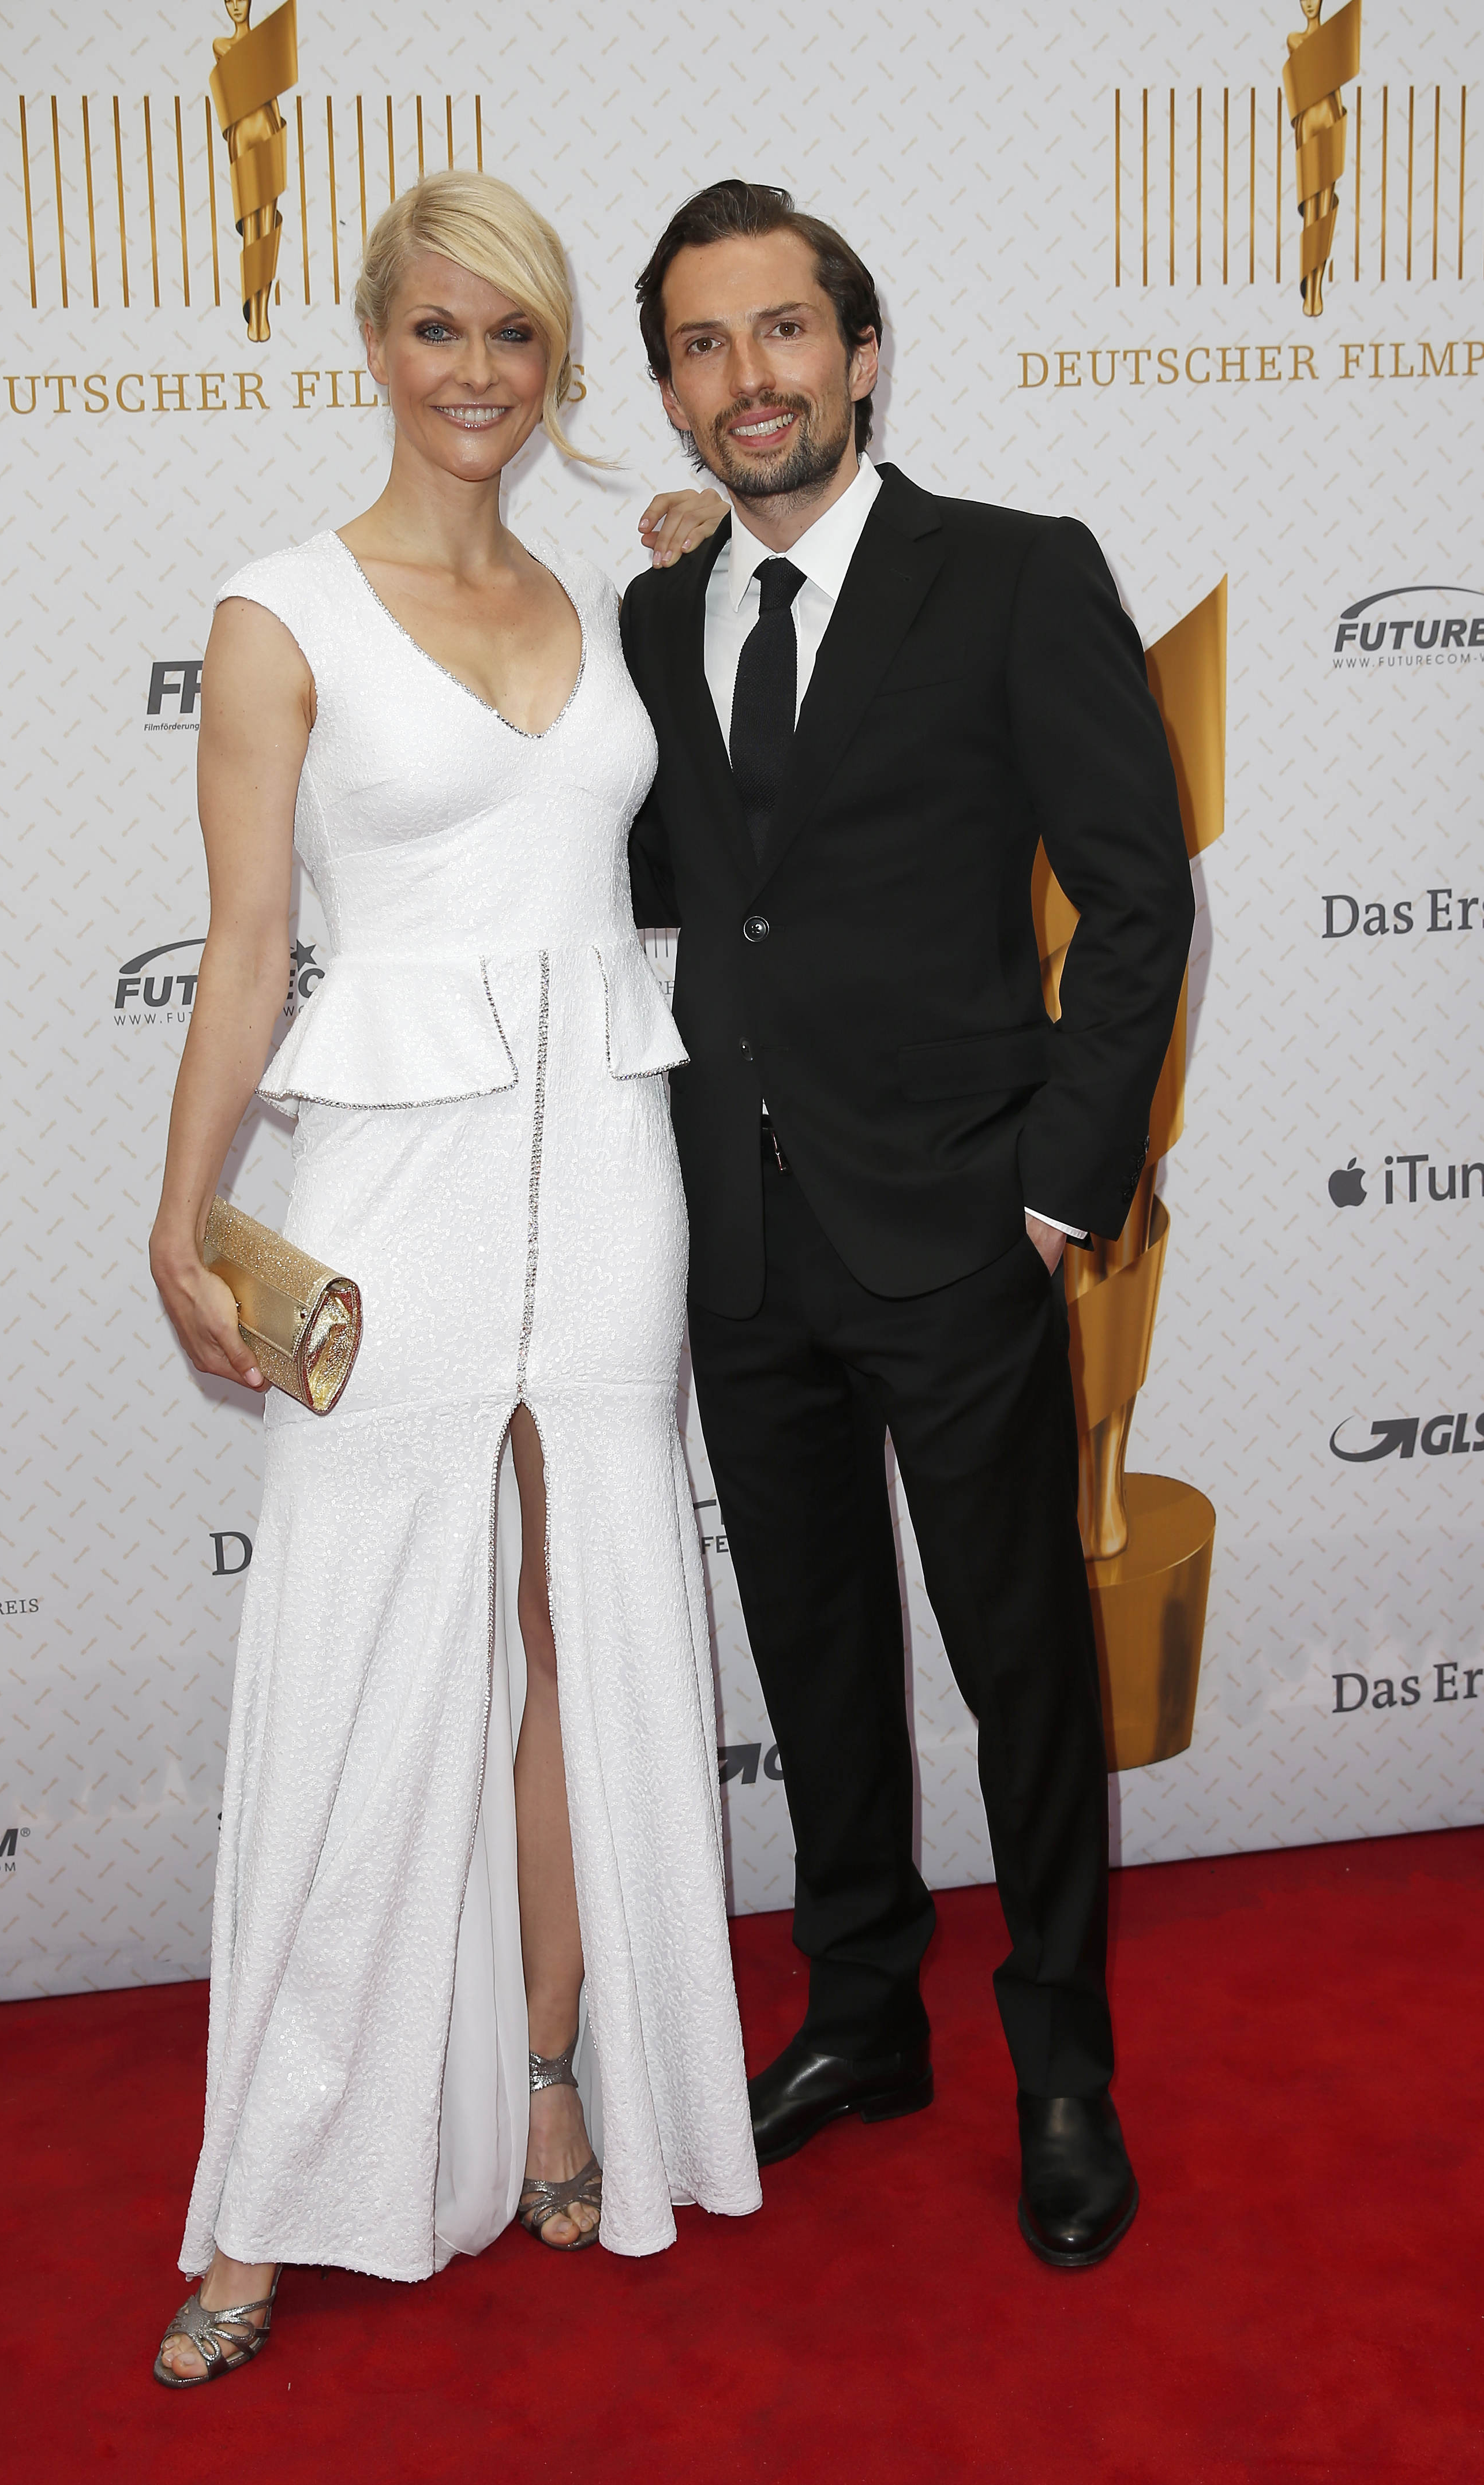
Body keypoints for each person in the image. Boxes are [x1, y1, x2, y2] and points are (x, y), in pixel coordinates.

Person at [147, 168, 759, 2387]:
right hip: (393, 1179)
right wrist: (181, 1208)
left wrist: (702, 555)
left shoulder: (616, 600)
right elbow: (246, 946)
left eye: (513, 334)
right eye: (436, 328)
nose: (475, 371)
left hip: (605, 1165)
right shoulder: (280, 609)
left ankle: (553, 2069)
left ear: (557, 359)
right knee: (358, 1658)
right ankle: (263, 2188)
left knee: (587, 1625)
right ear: (374, 342)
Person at [620, 180, 1196, 2269]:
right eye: (701, 345)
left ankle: (1063, 2066)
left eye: (782, 330)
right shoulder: (651, 621)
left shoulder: (1020, 573)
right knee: (816, 1657)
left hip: (959, 1228)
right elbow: (682, 915)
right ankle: (864, 2015)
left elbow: (1138, 899)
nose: (747, 377)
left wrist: (1050, 1194)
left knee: (1021, 1662)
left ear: (860, 355)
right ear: (671, 390)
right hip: (737, 1238)